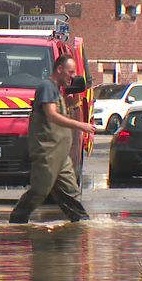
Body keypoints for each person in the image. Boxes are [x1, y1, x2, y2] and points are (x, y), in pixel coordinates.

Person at [9, 55, 96, 223]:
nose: (72, 76)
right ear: (59, 69)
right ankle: (16, 222)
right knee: (40, 191)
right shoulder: (46, 87)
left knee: (70, 191)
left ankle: (82, 222)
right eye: (70, 72)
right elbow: (52, 116)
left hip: (60, 155)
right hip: (47, 152)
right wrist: (81, 125)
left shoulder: (56, 89)